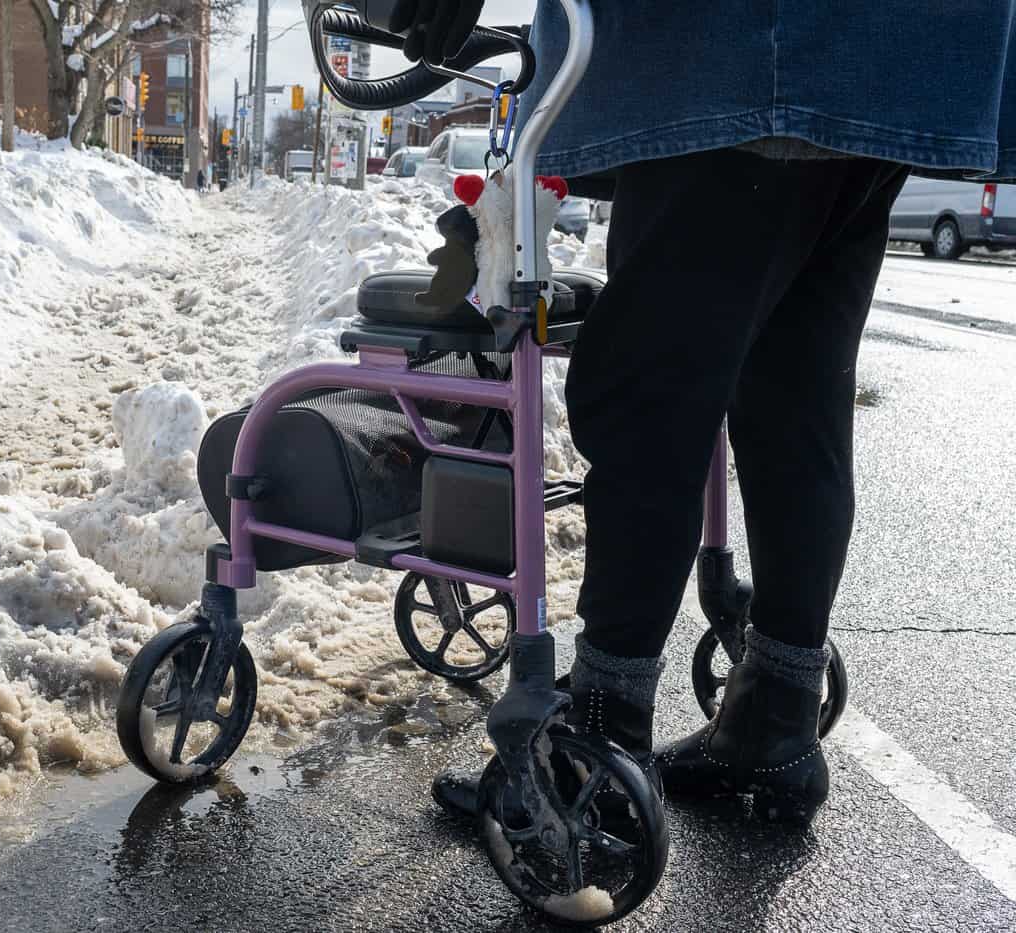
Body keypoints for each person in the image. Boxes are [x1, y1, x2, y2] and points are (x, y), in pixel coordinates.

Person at [390, 0, 1016, 826]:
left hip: (738, 54)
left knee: (648, 394)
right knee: (796, 394)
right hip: (900, 61)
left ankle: (595, 750)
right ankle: (775, 718)